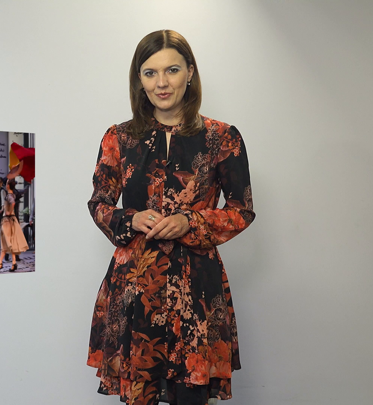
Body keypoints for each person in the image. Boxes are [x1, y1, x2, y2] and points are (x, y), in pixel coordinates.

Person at [86, 30, 255, 405]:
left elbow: (241, 210)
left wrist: (191, 222)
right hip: (134, 285)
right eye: (150, 73)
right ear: (139, 79)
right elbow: (99, 203)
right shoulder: (118, 137)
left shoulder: (222, 137)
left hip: (195, 286)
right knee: (139, 395)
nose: (161, 83)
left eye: (172, 70)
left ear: (190, 73)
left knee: (191, 397)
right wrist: (131, 220)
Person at [0, 178, 29, 272]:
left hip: (7, 221)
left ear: (8, 185)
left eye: (6, 183)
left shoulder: (9, 195)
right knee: (9, 242)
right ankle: (13, 263)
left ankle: (0, 263)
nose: (5, 185)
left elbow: (12, 202)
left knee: (6, 242)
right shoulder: (11, 194)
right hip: (10, 220)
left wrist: (9, 212)